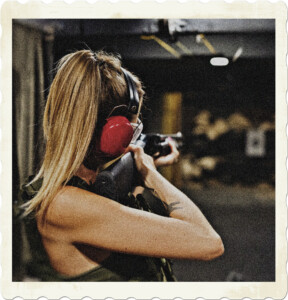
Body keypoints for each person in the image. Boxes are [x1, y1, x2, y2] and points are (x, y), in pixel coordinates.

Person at [21, 50, 224, 282]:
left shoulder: (76, 192)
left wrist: (136, 177)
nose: (132, 135)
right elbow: (208, 242)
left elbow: (122, 227)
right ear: (114, 133)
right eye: (132, 126)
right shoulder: (65, 205)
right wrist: (151, 174)